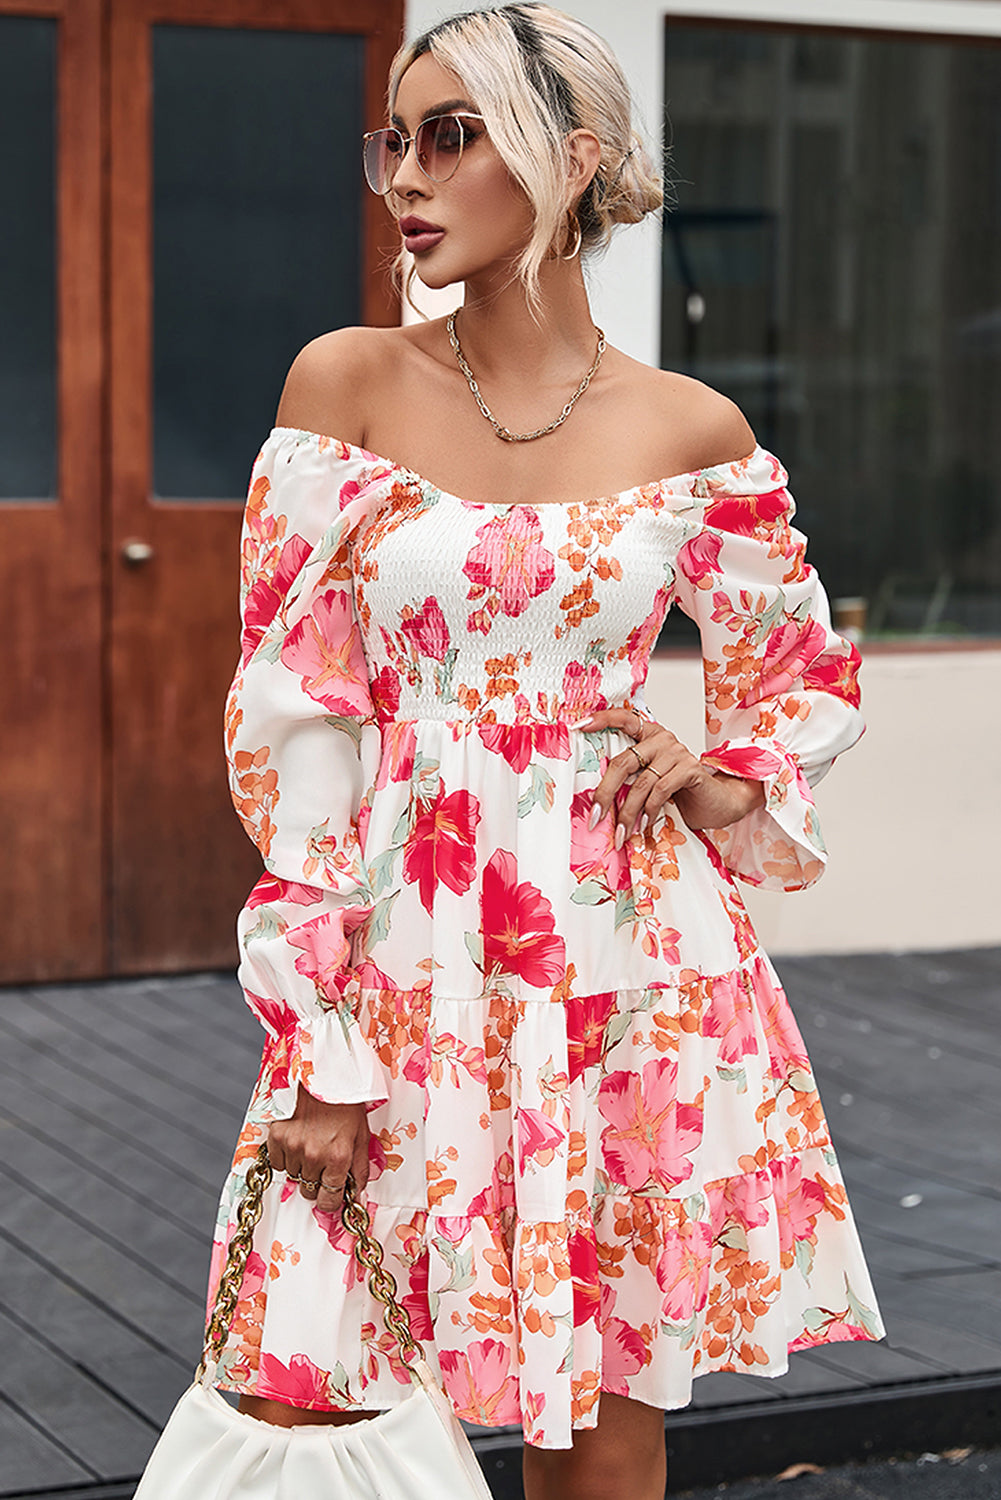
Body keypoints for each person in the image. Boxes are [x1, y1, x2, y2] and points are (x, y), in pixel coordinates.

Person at [210, 5, 884, 1497]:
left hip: (627, 956)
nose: (408, 177)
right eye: (397, 138)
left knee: (601, 1421)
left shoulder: (686, 427)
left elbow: (799, 669)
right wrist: (319, 1040)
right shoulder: (347, 388)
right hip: (401, 959)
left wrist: (718, 773)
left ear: (568, 162)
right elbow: (294, 723)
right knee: (332, 1384)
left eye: (453, 137)